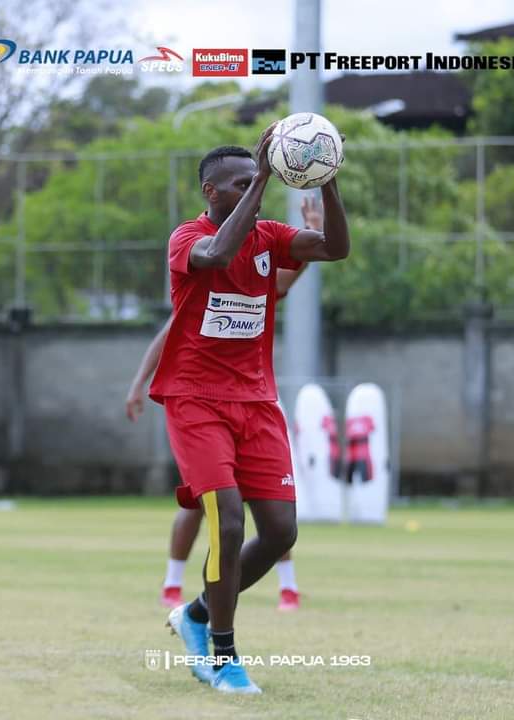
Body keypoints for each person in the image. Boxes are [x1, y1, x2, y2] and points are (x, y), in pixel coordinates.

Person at [145, 126, 349, 694]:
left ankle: (196, 614)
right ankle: (225, 656)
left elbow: (334, 248)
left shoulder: (270, 237)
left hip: (257, 403)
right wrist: (263, 175)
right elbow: (217, 253)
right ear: (212, 191)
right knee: (228, 522)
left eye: (255, 177)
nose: (253, 188)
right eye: (239, 182)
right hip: (195, 402)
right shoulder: (188, 237)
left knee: (281, 532)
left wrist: (327, 185)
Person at [126, 198, 326, 614]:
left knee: (272, 517)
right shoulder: (196, 265)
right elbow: (164, 338)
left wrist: (309, 240)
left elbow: (284, 284)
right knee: (213, 509)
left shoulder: (261, 257)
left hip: (254, 401)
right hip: (199, 405)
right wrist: (138, 384)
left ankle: (285, 587)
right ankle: (175, 585)